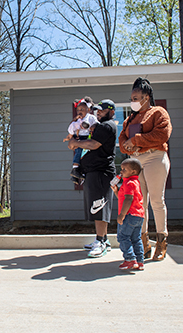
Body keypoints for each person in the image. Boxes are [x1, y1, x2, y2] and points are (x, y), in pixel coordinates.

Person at [119, 77, 172, 261]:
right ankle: (143, 243)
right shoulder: (129, 119)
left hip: (155, 157)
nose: (133, 101)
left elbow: (162, 134)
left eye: (136, 98)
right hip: (136, 161)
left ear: (146, 97)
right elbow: (122, 142)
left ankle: (161, 242)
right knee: (139, 203)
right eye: (131, 98)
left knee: (156, 201)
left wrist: (135, 141)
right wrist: (129, 146)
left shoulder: (158, 112)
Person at [68, 99, 117, 258]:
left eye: (102, 110)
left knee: (99, 207)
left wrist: (75, 142)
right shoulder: (99, 125)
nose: (99, 112)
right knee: (97, 206)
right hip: (93, 172)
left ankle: (101, 242)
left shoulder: (107, 126)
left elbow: (94, 144)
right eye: (97, 110)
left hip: (101, 172)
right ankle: (103, 239)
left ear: (111, 112)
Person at [111, 158, 145, 270]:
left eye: (124, 169)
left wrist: (121, 215)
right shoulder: (136, 183)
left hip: (129, 215)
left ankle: (130, 259)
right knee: (136, 239)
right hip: (139, 216)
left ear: (134, 171)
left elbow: (128, 200)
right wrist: (116, 191)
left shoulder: (129, 183)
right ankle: (140, 261)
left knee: (123, 237)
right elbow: (123, 198)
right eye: (121, 169)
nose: (121, 171)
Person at [63, 97, 99, 184]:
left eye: (82, 109)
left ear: (89, 109)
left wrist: (91, 127)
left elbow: (97, 124)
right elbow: (71, 129)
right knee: (78, 152)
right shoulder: (77, 119)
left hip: (87, 138)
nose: (80, 111)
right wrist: (76, 124)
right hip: (78, 138)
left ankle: (80, 172)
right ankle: (75, 170)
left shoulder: (91, 117)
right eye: (78, 109)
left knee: (86, 155)